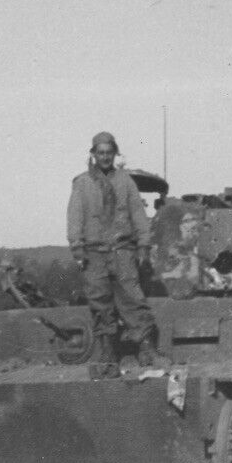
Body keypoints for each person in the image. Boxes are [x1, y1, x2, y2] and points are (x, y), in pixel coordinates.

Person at [67, 131, 161, 370]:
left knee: (133, 298)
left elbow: (137, 214)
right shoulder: (82, 183)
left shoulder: (125, 181)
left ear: (114, 153)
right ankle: (107, 350)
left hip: (122, 250)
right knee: (100, 301)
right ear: (93, 154)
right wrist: (77, 247)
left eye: (109, 152)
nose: (105, 157)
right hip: (94, 252)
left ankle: (146, 347)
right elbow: (75, 216)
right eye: (100, 153)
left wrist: (143, 244)